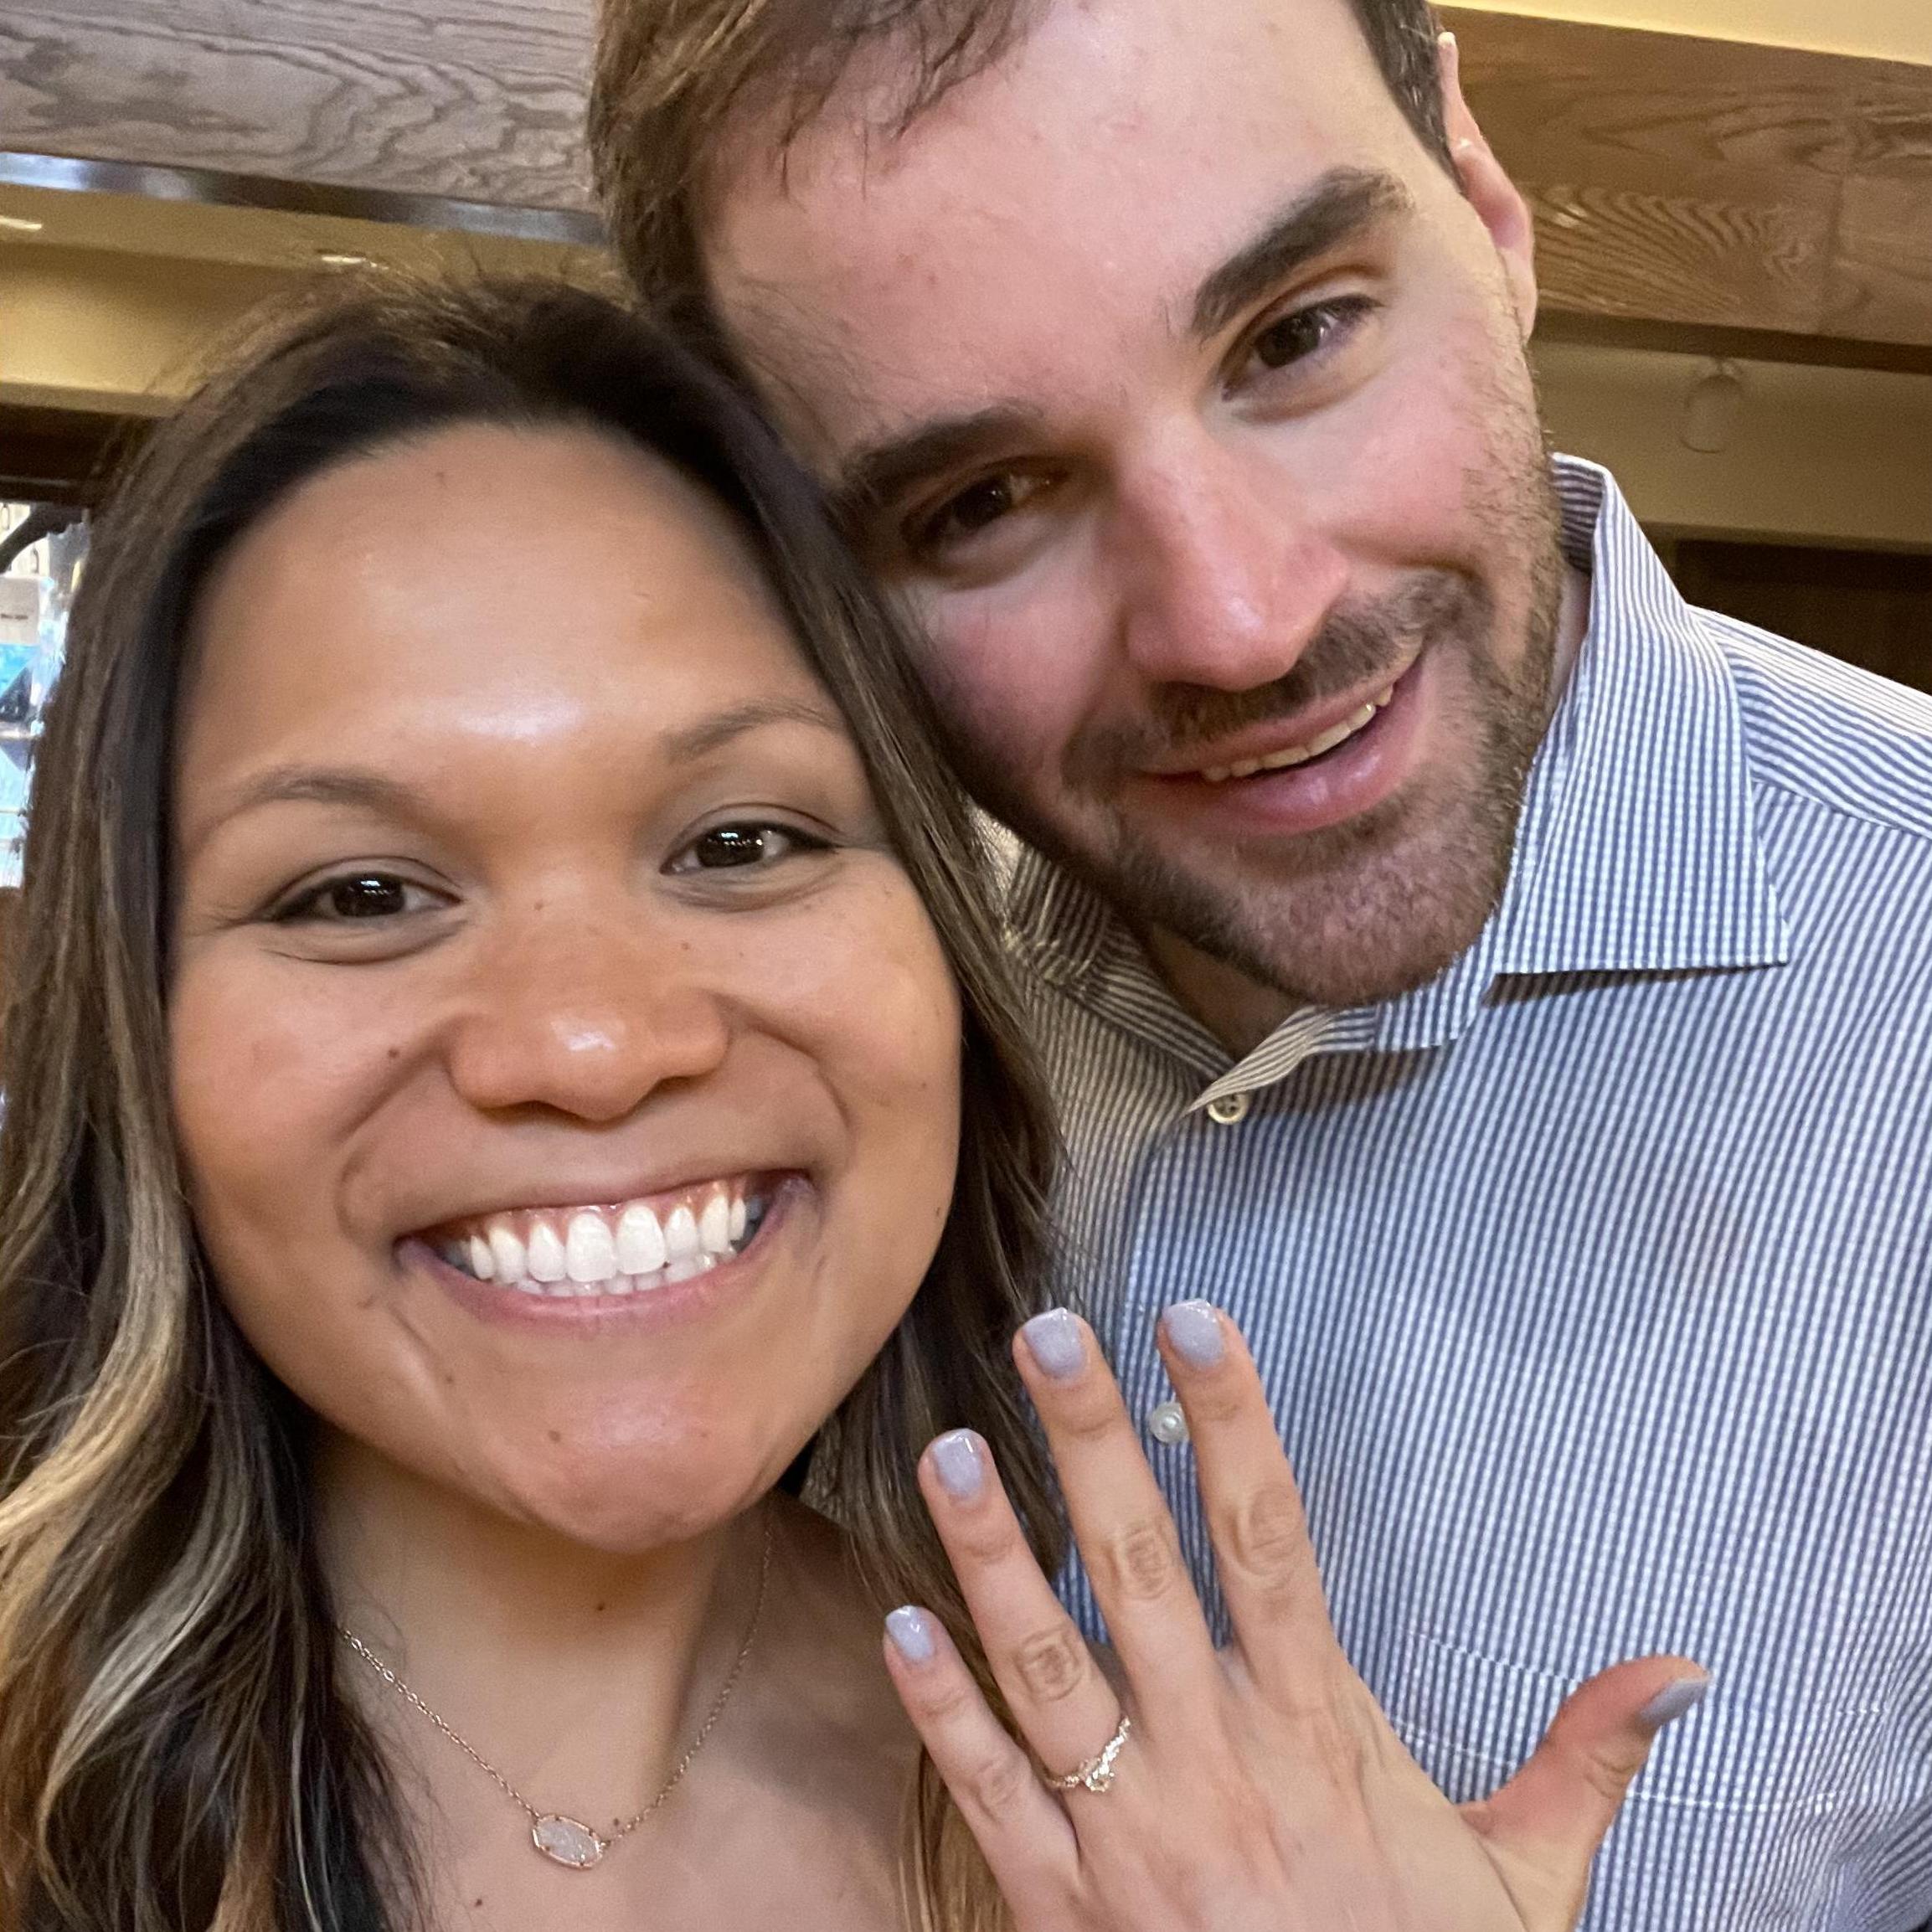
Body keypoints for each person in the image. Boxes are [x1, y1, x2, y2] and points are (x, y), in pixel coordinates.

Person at [0, 276, 1698, 1932]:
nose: (592, 1044)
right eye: (360, 891)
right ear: (137, 1024)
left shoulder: (1132, 1826)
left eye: (741, 841)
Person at [586, 2, 1932, 1927]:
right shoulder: (807, 1007)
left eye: (1295, 334)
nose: (1234, 618)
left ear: (1482, 199)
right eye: (979, 503)